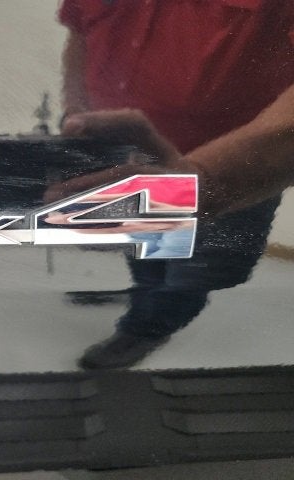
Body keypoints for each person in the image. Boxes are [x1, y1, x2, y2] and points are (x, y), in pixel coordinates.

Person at [50, 0, 294, 369]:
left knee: (198, 270)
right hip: (124, 151)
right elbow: (80, 33)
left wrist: (208, 178)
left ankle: (147, 328)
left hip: (234, 165)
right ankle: (145, 293)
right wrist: (75, 109)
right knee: (145, 243)